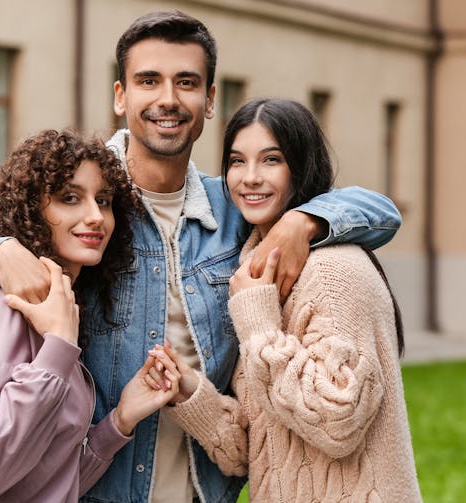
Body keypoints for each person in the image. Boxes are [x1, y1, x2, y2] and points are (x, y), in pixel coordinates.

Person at [0, 11, 403, 503]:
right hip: (94, 487)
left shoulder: (235, 214)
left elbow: (380, 212)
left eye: (186, 82)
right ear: (121, 96)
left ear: (209, 100)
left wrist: (307, 220)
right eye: (149, 80)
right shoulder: (83, 210)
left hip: (203, 489)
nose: (167, 99)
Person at [147, 98, 421, 502]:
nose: (250, 178)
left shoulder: (334, 271)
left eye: (271, 160)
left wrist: (258, 323)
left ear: (301, 166)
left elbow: (336, 420)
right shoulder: (255, 267)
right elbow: (265, 445)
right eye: (237, 162)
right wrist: (192, 395)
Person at [0, 129, 183, 502]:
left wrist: (120, 419)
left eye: (104, 200)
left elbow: (44, 482)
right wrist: (59, 347)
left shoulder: (58, 311)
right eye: (69, 198)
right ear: (32, 209)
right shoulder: (4, 307)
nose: (95, 216)